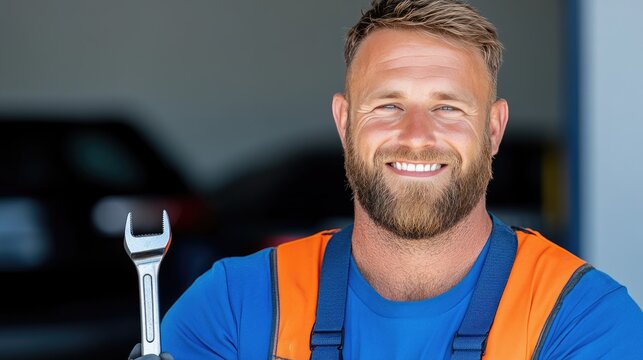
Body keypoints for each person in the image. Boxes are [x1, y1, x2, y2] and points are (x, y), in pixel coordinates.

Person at [130, 0, 643, 358]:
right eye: (388, 104)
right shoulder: (235, 305)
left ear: (492, 130)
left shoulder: (580, 317)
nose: (416, 135)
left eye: (447, 107)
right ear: (344, 121)